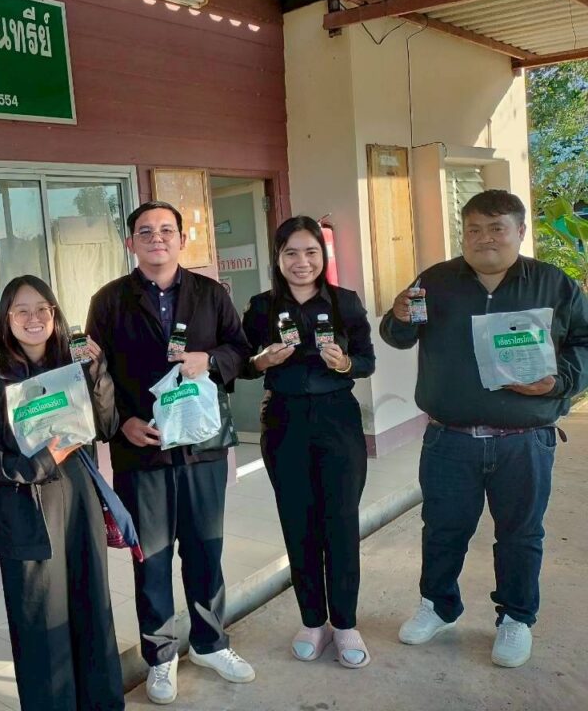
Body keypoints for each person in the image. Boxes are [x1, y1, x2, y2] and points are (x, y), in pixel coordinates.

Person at [382, 189, 588, 668]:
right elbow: (399, 336)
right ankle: (438, 606)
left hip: (524, 441)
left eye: (497, 228)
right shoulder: (436, 281)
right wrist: (398, 317)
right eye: (474, 229)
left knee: (520, 534)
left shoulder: (553, 284)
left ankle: (516, 617)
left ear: (520, 231)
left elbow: (584, 341)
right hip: (449, 438)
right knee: (442, 529)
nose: (484, 238)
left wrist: (561, 381)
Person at [86, 201, 252, 705]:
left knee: (206, 550)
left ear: (182, 239)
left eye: (166, 230)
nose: (156, 238)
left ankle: (209, 643)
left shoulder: (210, 294)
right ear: (130, 242)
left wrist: (211, 359)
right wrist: (122, 423)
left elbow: (241, 351)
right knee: (152, 560)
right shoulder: (109, 300)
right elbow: (96, 374)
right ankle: (160, 656)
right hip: (143, 454)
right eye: (145, 231)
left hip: (202, 448)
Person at [0, 275, 125, 710]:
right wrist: (36, 463)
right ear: (6, 320)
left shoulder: (76, 368)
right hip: (26, 519)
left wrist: (97, 371)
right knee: (40, 630)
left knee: (93, 617)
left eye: (42, 309)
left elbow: (107, 426)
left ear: (55, 314)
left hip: (78, 508)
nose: (33, 318)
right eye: (21, 310)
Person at [241, 216, 376, 668]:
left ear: (323, 255)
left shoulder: (344, 302)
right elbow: (242, 362)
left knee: (341, 521)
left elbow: (367, 360)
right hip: (284, 420)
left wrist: (344, 364)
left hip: (338, 419)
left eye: (311, 252)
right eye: (291, 253)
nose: (302, 262)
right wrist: (262, 361)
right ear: (278, 258)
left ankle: (346, 623)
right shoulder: (262, 307)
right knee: (298, 522)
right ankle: (313, 621)